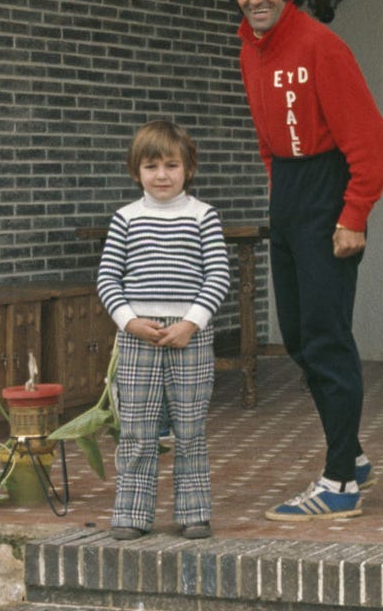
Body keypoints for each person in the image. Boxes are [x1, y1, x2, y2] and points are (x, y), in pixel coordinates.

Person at [226, 0, 383, 520]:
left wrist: (353, 215)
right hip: (290, 197)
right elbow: (269, 140)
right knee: (297, 336)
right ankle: (355, 454)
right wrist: (280, 197)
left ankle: (341, 482)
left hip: (328, 193)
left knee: (325, 339)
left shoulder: (322, 46)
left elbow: (371, 141)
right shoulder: (249, 50)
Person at [97, 120, 231, 540]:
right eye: (151, 166)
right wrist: (128, 321)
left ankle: (194, 512)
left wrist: (192, 322)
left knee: (190, 428)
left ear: (188, 169)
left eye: (171, 165)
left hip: (189, 338)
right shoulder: (125, 218)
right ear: (136, 171)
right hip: (138, 338)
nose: (161, 175)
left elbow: (218, 275)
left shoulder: (202, 216)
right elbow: (107, 279)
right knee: (137, 430)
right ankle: (133, 513)